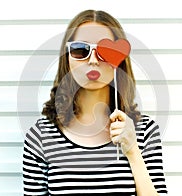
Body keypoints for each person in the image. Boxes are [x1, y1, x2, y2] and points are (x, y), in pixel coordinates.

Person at [23, 10, 168, 195]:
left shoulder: (145, 131)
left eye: (103, 52)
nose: (92, 61)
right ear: (67, 59)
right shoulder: (41, 136)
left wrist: (133, 151)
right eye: (80, 49)